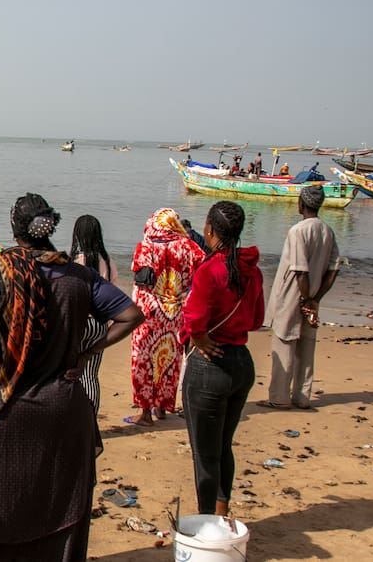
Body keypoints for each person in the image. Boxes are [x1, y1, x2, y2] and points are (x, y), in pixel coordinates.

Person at [0, 194, 143, 560]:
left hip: (1, 407)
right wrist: (87, 351)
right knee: (54, 508)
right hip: (60, 408)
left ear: (15, 229)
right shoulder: (79, 277)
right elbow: (131, 315)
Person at [180, 201, 264, 515]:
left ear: (210, 230)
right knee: (222, 447)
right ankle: (221, 510)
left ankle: (206, 522)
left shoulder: (210, 270)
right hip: (241, 362)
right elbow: (256, 320)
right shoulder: (251, 270)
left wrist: (200, 338)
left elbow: (194, 319)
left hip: (210, 367)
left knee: (204, 454)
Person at [262, 185, 339, 410]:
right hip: (312, 295)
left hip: (293, 295)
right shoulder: (327, 231)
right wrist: (316, 299)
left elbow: (300, 270)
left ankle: (279, 397)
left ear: (301, 204)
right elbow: (333, 269)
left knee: (284, 343)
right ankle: (302, 396)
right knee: (306, 347)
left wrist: (305, 299)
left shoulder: (298, 231)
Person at [126, 208, 205, 426]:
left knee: (144, 360)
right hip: (175, 313)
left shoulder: (146, 246)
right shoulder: (189, 246)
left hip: (149, 313)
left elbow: (140, 275)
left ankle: (144, 413)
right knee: (169, 358)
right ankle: (161, 406)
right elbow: (203, 269)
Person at [69, 214, 119, 413]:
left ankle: (75, 416)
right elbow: (114, 293)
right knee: (91, 373)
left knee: (72, 372)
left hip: (80, 322)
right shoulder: (107, 261)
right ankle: (91, 416)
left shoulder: (75, 261)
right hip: (99, 323)